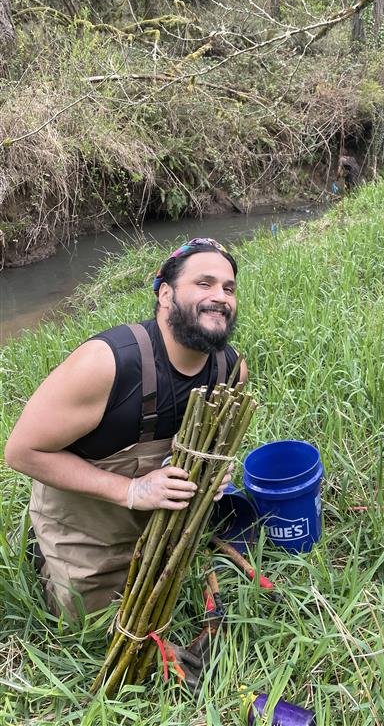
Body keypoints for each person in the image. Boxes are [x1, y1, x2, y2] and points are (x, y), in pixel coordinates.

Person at [5, 237, 248, 617]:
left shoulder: (230, 371)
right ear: (165, 294)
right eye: (204, 283)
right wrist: (132, 489)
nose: (221, 296)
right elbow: (21, 452)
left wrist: (216, 469)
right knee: (89, 623)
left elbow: (210, 446)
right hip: (89, 529)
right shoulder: (107, 364)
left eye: (229, 288)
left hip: (165, 525)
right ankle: (40, 546)